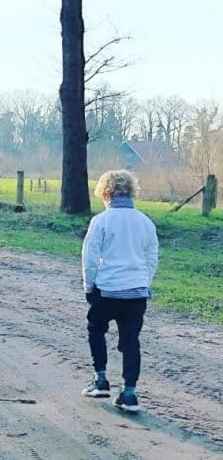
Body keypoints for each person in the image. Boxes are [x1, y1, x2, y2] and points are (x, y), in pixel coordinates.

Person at [81, 169, 158, 413]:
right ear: (131, 192)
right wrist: (144, 282)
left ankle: (100, 379)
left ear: (105, 193)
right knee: (130, 341)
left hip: (108, 291)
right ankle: (129, 393)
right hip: (136, 293)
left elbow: (90, 258)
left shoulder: (101, 221)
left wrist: (89, 286)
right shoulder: (145, 221)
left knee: (96, 329)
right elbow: (151, 258)